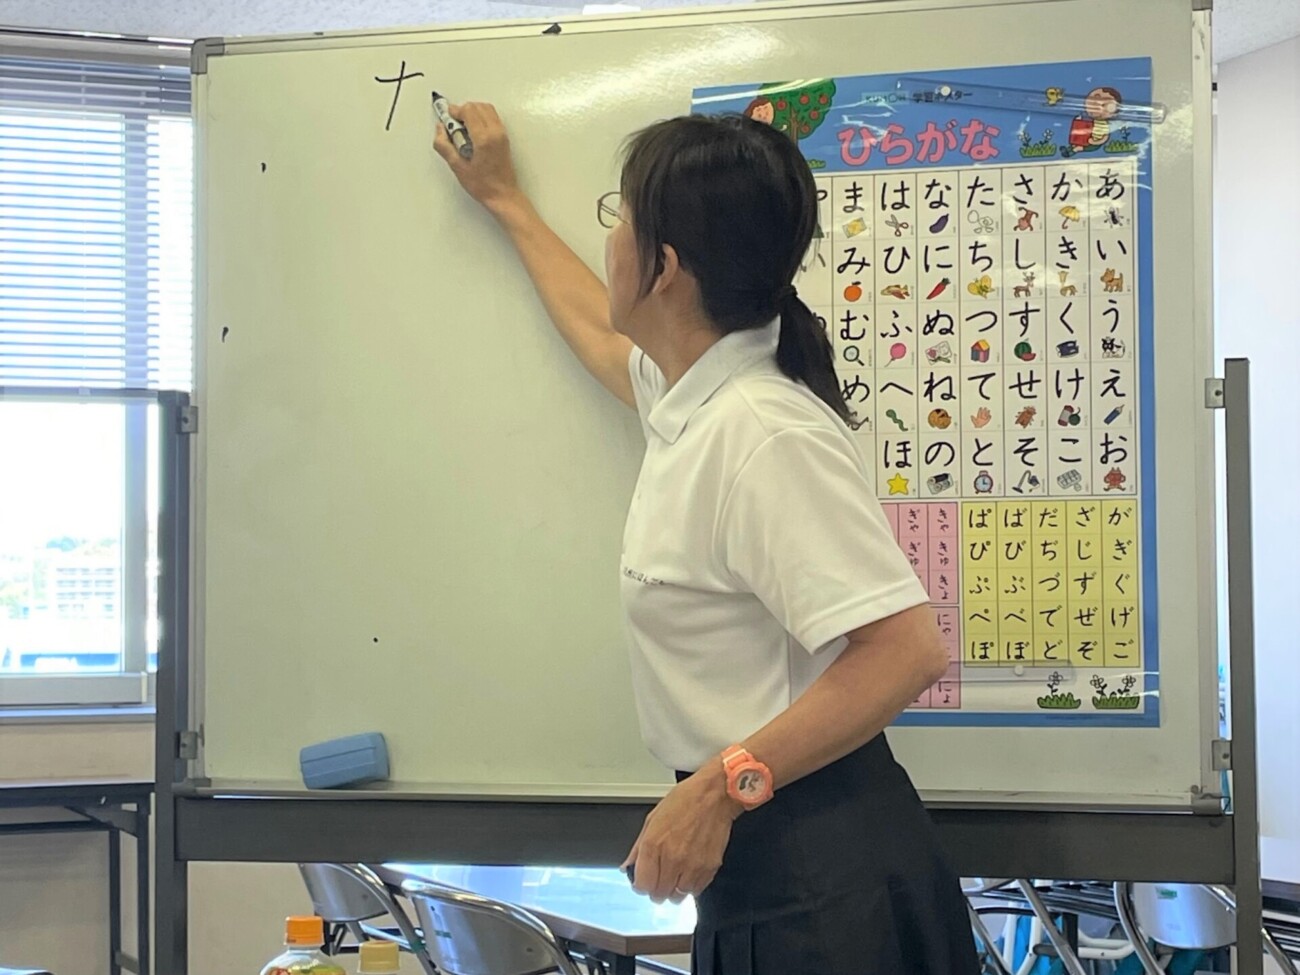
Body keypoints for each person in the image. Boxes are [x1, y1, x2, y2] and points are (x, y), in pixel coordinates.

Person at [433, 104, 979, 975]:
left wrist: (721, 791)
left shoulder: (763, 432)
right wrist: (505, 200)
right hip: (773, 859)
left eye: (621, 218)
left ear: (665, 268)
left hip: (821, 875)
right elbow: (595, 327)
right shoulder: (694, 396)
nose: (610, 239)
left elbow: (905, 650)